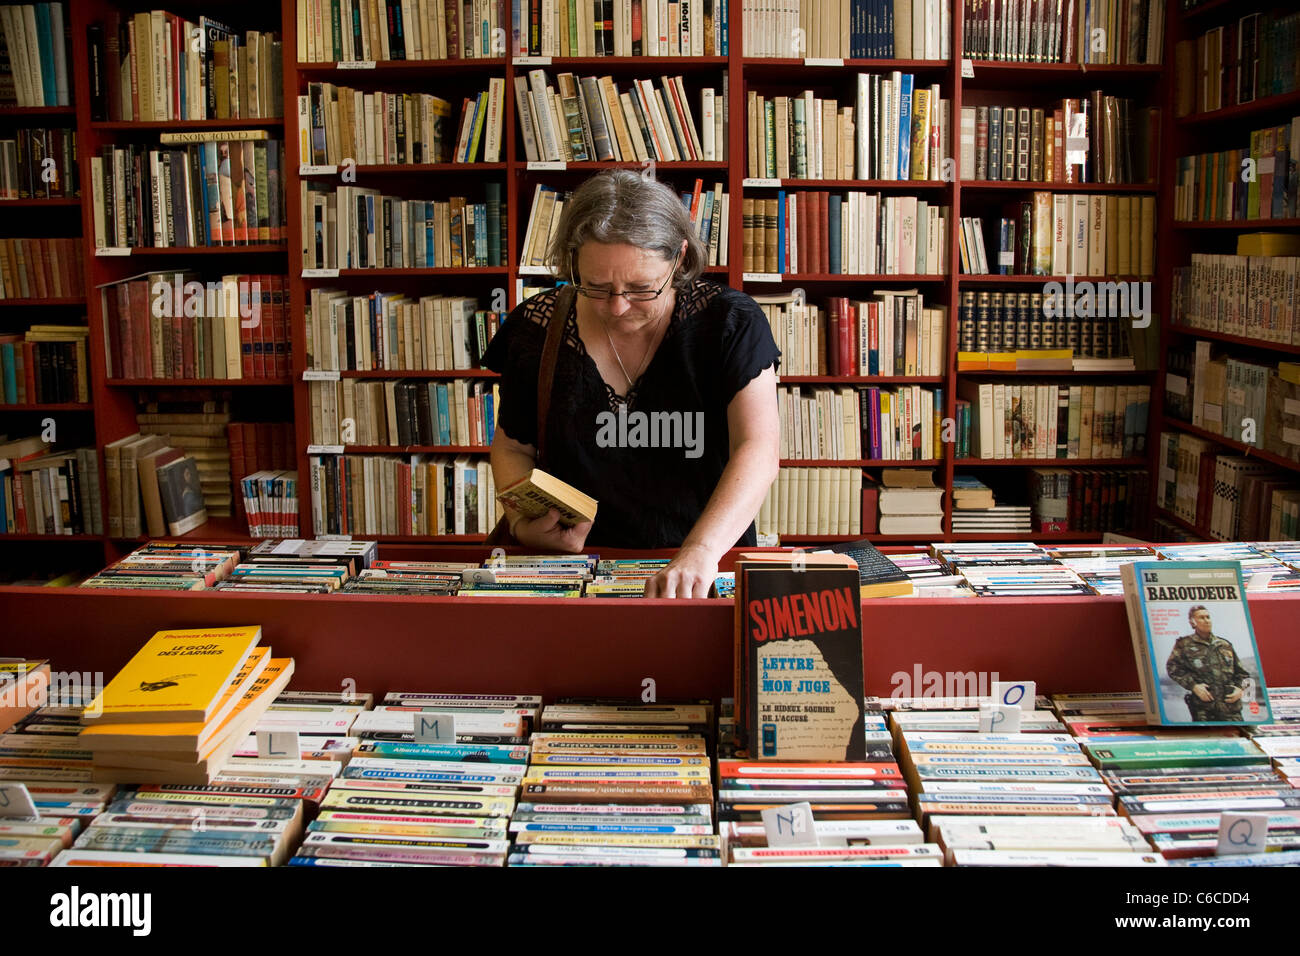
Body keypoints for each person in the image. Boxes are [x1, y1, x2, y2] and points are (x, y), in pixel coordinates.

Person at [483, 170, 780, 598]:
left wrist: (701, 550)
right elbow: (513, 447)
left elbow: (759, 450)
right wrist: (520, 522)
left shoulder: (729, 323)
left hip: (700, 567)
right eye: (596, 287)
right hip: (572, 573)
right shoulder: (537, 327)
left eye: (642, 288)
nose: (618, 308)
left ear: (678, 259)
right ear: (573, 263)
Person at [1165, 605, 1253, 722]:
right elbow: (1173, 668)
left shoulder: (1224, 645)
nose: (1206, 620)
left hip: (1231, 710)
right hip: (1204, 711)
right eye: (1201, 617)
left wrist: (1240, 690)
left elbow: (1243, 674)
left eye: (1208, 617)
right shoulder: (1184, 644)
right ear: (1192, 622)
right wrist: (1194, 686)